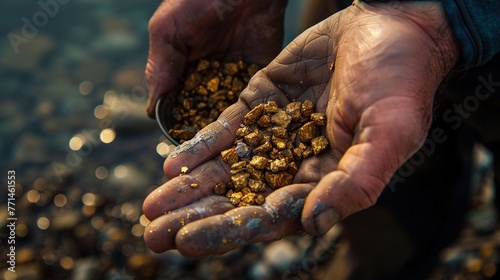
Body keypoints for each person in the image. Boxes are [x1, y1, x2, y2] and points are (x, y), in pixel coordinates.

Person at [143, 0, 500, 278]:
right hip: (359, 13)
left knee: (366, 148)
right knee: (375, 176)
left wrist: (431, 18)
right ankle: (382, 259)